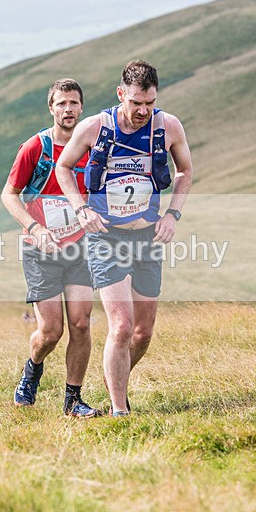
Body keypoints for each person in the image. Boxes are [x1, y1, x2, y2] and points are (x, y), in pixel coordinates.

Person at [56, 60, 193, 417]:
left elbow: (185, 171)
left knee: (143, 333)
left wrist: (172, 214)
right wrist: (81, 209)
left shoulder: (168, 126)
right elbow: (64, 167)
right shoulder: (95, 126)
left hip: (147, 237)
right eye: (135, 103)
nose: (143, 111)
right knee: (121, 325)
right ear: (121, 95)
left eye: (149, 103)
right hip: (107, 237)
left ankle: (115, 380)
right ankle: (120, 412)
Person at [1, 78, 100, 418]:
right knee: (51, 331)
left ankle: (73, 400)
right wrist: (34, 227)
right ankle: (32, 370)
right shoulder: (35, 148)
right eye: (61, 103)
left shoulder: (91, 146)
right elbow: (8, 195)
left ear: (81, 107)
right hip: (40, 248)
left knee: (82, 323)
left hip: (80, 247)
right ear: (51, 108)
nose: (68, 109)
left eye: (73, 103)